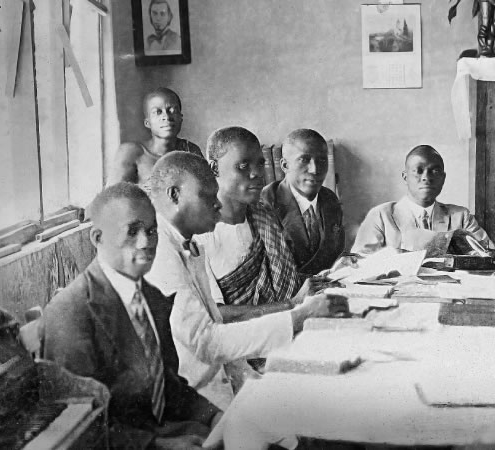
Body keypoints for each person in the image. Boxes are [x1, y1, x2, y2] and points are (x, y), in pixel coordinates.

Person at [145, 152, 346, 410]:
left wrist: (258, 383)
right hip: (198, 401)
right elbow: (208, 343)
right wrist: (298, 316)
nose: (217, 204)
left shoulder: (188, 243)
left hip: (227, 380)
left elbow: (217, 334)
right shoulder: (159, 252)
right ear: (175, 195)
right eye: (207, 195)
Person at [43, 182, 220, 449]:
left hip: (169, 430)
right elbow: (82, 427)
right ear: (98, 238)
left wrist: (214, 415)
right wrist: (160, 446)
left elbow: (168, 385)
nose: (146, 242)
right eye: (132, 231)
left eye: (151, 231)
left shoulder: (150, 296)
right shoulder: (71, 313)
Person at [199, 126, 303, 314]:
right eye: (243, 166)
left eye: (260, 164)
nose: (257, 174)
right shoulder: (200, 234)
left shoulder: (263, 216)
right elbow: (215, 313)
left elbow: (282, 279)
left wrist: (331, 276)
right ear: (214, 168)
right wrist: (292, 305)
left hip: (282, 325)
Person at [352, 145, 492, 255]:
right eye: (418, 171)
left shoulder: (461, 216)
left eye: (434, 171)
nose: (426, 177)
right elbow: (360, 264)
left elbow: (488, 254)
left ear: (443, 178)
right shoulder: (381, 216)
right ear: (405, 177)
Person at [260, 129, 345, 276]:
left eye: (322, 160)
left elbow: (333, 254)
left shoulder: (330, 199)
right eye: (304, 160)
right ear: (285, 166)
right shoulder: (265, 203)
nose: (315, 169)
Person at [110, 87, 202, 185]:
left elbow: (208, 192)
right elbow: (112, 196)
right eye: (157, 112)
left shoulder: (190, 150)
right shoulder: (132, 152)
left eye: (172, 111)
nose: (166, 117)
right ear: (147, 123)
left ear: (181, 118)